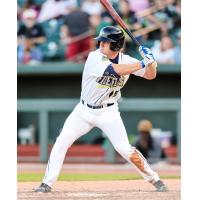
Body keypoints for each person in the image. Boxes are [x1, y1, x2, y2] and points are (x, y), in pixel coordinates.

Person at [35, 26, 167, 193]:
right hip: (83, 111)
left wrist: (151, 63)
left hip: (108, 112)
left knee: (124, 149)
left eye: (105, 42)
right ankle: (47, 183)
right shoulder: (94, 57)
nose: (101, 44)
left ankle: (155, 179)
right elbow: (114, 71)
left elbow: (150, 75)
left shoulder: (127, 60)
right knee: (61, 142)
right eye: (101, 41)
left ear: (116, 46)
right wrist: (142, 62)